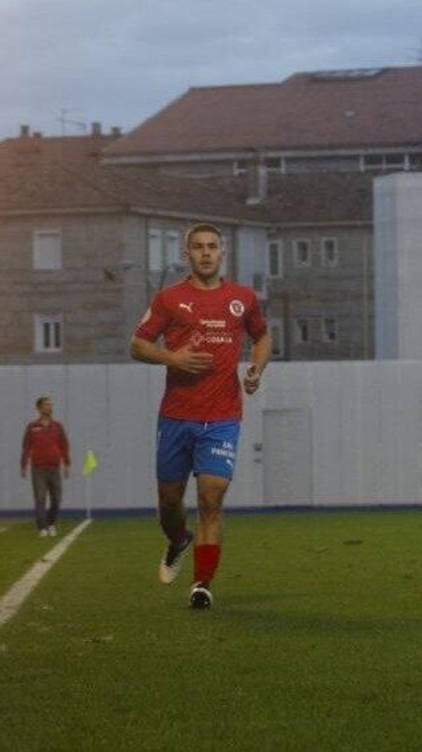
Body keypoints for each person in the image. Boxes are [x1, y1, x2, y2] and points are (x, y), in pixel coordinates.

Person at [130, 224, 270, 610]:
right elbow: (137, 344)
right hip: (176, 416)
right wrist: (171, 357)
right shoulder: (169, 299)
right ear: (187, 254)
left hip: (223, 416)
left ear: (222, 253)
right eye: (198, 247)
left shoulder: (242, 298)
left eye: (212, 246)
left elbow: (261, 337)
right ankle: (178, 540)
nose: (206, 253)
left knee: (211, 497)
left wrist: (256, 370)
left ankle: (201, 583)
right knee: (169, 503)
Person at [20, 396, 70, 537]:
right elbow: (26, 447)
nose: (49, 407)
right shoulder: (32, 427)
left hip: (54, 468)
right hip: (38, 469)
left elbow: (64, 446)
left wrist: (67, 464)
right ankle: (42, 528)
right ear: (39, 408)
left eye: (50, 405)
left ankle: (51, 523)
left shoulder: (58, 426)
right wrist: (23, 465)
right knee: (40, 498)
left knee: (56, 498)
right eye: (46, 405)